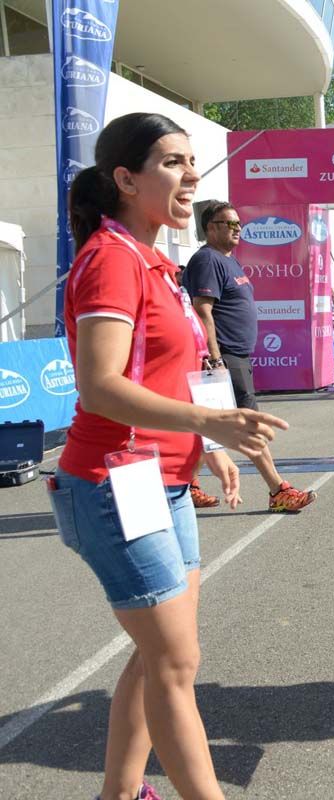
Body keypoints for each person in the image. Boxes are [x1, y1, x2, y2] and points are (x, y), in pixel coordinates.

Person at [52, 112, 287, 800]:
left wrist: (206, 441)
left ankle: (119, 794)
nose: (193, 177)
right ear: (125, 179)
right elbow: (100, 386)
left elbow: (168, 370)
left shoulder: (155, 258)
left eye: (192, 161)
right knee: (176, 662)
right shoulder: (111, 259)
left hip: (164, 481)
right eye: (174, 163)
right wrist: (207, 419)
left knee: (160, 658)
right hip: (113, 483)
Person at [183, 202, 316, 513]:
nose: (237, 229)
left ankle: (188, 485)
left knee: (207, 424)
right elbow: (203, 311)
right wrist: (215, 358)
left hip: (235, 354)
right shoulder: (207, 260)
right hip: (225, 356)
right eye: (230, 224)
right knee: (250, 423)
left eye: (239, 224)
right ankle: (278, 490)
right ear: (211, 227)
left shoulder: (229, 261)